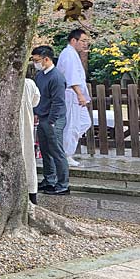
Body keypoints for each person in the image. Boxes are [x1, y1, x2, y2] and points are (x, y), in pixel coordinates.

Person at [32, 45, 69, 195]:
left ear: (46, 59)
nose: (35, 63)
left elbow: (58, 102)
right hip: (42, 117)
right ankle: (49, 180)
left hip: (54, 118)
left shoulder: (57, 77)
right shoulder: (40, 75)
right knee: (45, 150)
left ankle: (63, 184)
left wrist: (52, 120)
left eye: (37, 60)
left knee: (57, 151)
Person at [57, 29, 92, 167]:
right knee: (72, 125)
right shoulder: (68, 55)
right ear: (73, 41)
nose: (85, 44)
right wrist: (79, 95)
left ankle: (64, 150)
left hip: (75, 94)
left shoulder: (72, 54)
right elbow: (71, 78)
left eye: (86, 41)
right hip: (71, 94)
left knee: (84, 122)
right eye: (83, 41)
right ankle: (66, 154)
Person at [20, 70, 41, 204]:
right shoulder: (29, 84)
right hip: (25, 125)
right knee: (27, 157)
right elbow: (36, 100)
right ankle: (31, 193)